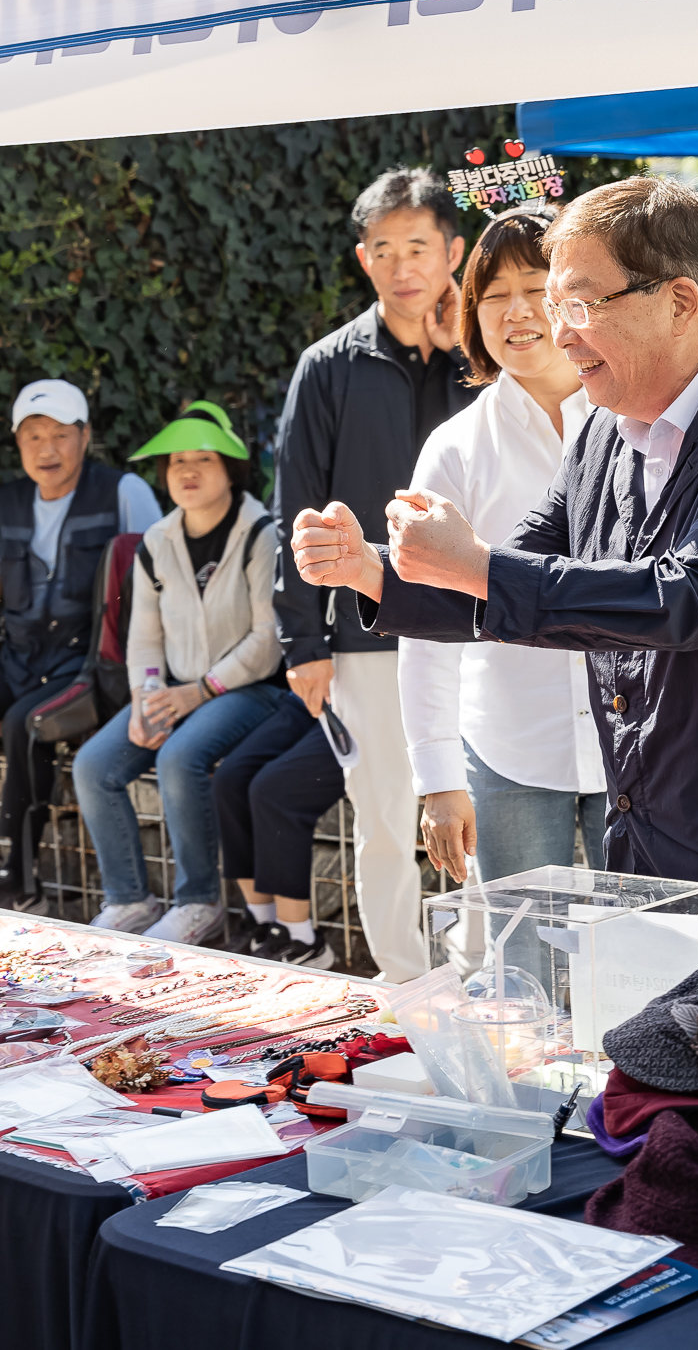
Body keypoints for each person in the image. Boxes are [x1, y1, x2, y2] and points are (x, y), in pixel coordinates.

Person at [292, 176, 698, 1022]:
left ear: (679, 300)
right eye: (552, 304)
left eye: (579, 303)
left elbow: (695, 596)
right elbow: (528, 581)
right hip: (663, 879)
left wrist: (476, 565)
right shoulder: (603, 427)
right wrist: (379, 572)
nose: (557, 333)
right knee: (683, 1140)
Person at [274, 167, 475, 980]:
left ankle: (480, 975)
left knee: (479, 811)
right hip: (366, 633)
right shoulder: (328, 366)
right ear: (364, 260)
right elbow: (296, 506)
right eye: (385, 250)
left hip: (477, 620)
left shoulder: (486, 357)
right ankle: (405, 980)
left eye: (419, 246)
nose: (403, 266)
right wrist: (302, 642)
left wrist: (472, 349)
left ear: (454, 253)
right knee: (387, 816)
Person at [401, 203, 607, 909]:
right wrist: (437, 775)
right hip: (508, 747)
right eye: (494, 296)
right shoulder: (455, 448)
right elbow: (426, 621)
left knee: (658, 965)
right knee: (526, 978)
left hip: (638, 741)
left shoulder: (638, 421)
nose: (517, 311)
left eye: (534, 286)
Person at [0, 378, 160, 903]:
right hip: (21, 660)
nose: (47, 449)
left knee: (27, 724)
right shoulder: (4, 503)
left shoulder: (124, 492)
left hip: (87, 666)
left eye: (60, 435)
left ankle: (20, 877)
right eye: (33, 436)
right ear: (18, 443)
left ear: (85, 436)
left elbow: (160, 585)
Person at [70, 403, 282, 944]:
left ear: (231, 467)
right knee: (94, 765)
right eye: (176, 460)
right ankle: (129, 899)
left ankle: (199, 901)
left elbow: (268, 640)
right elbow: (145, 636)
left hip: (250, 689)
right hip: (177, 689)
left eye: (203, 459)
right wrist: (146, 695)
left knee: (180, 755)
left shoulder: (260, 532)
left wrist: (200, 691)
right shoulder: (156, 542)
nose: (186, 470)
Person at [212, 689, 347, 965]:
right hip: (307, 694)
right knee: (230, 780)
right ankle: (262, 923)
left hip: (361, 699)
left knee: (276, 791)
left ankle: (300, 940)